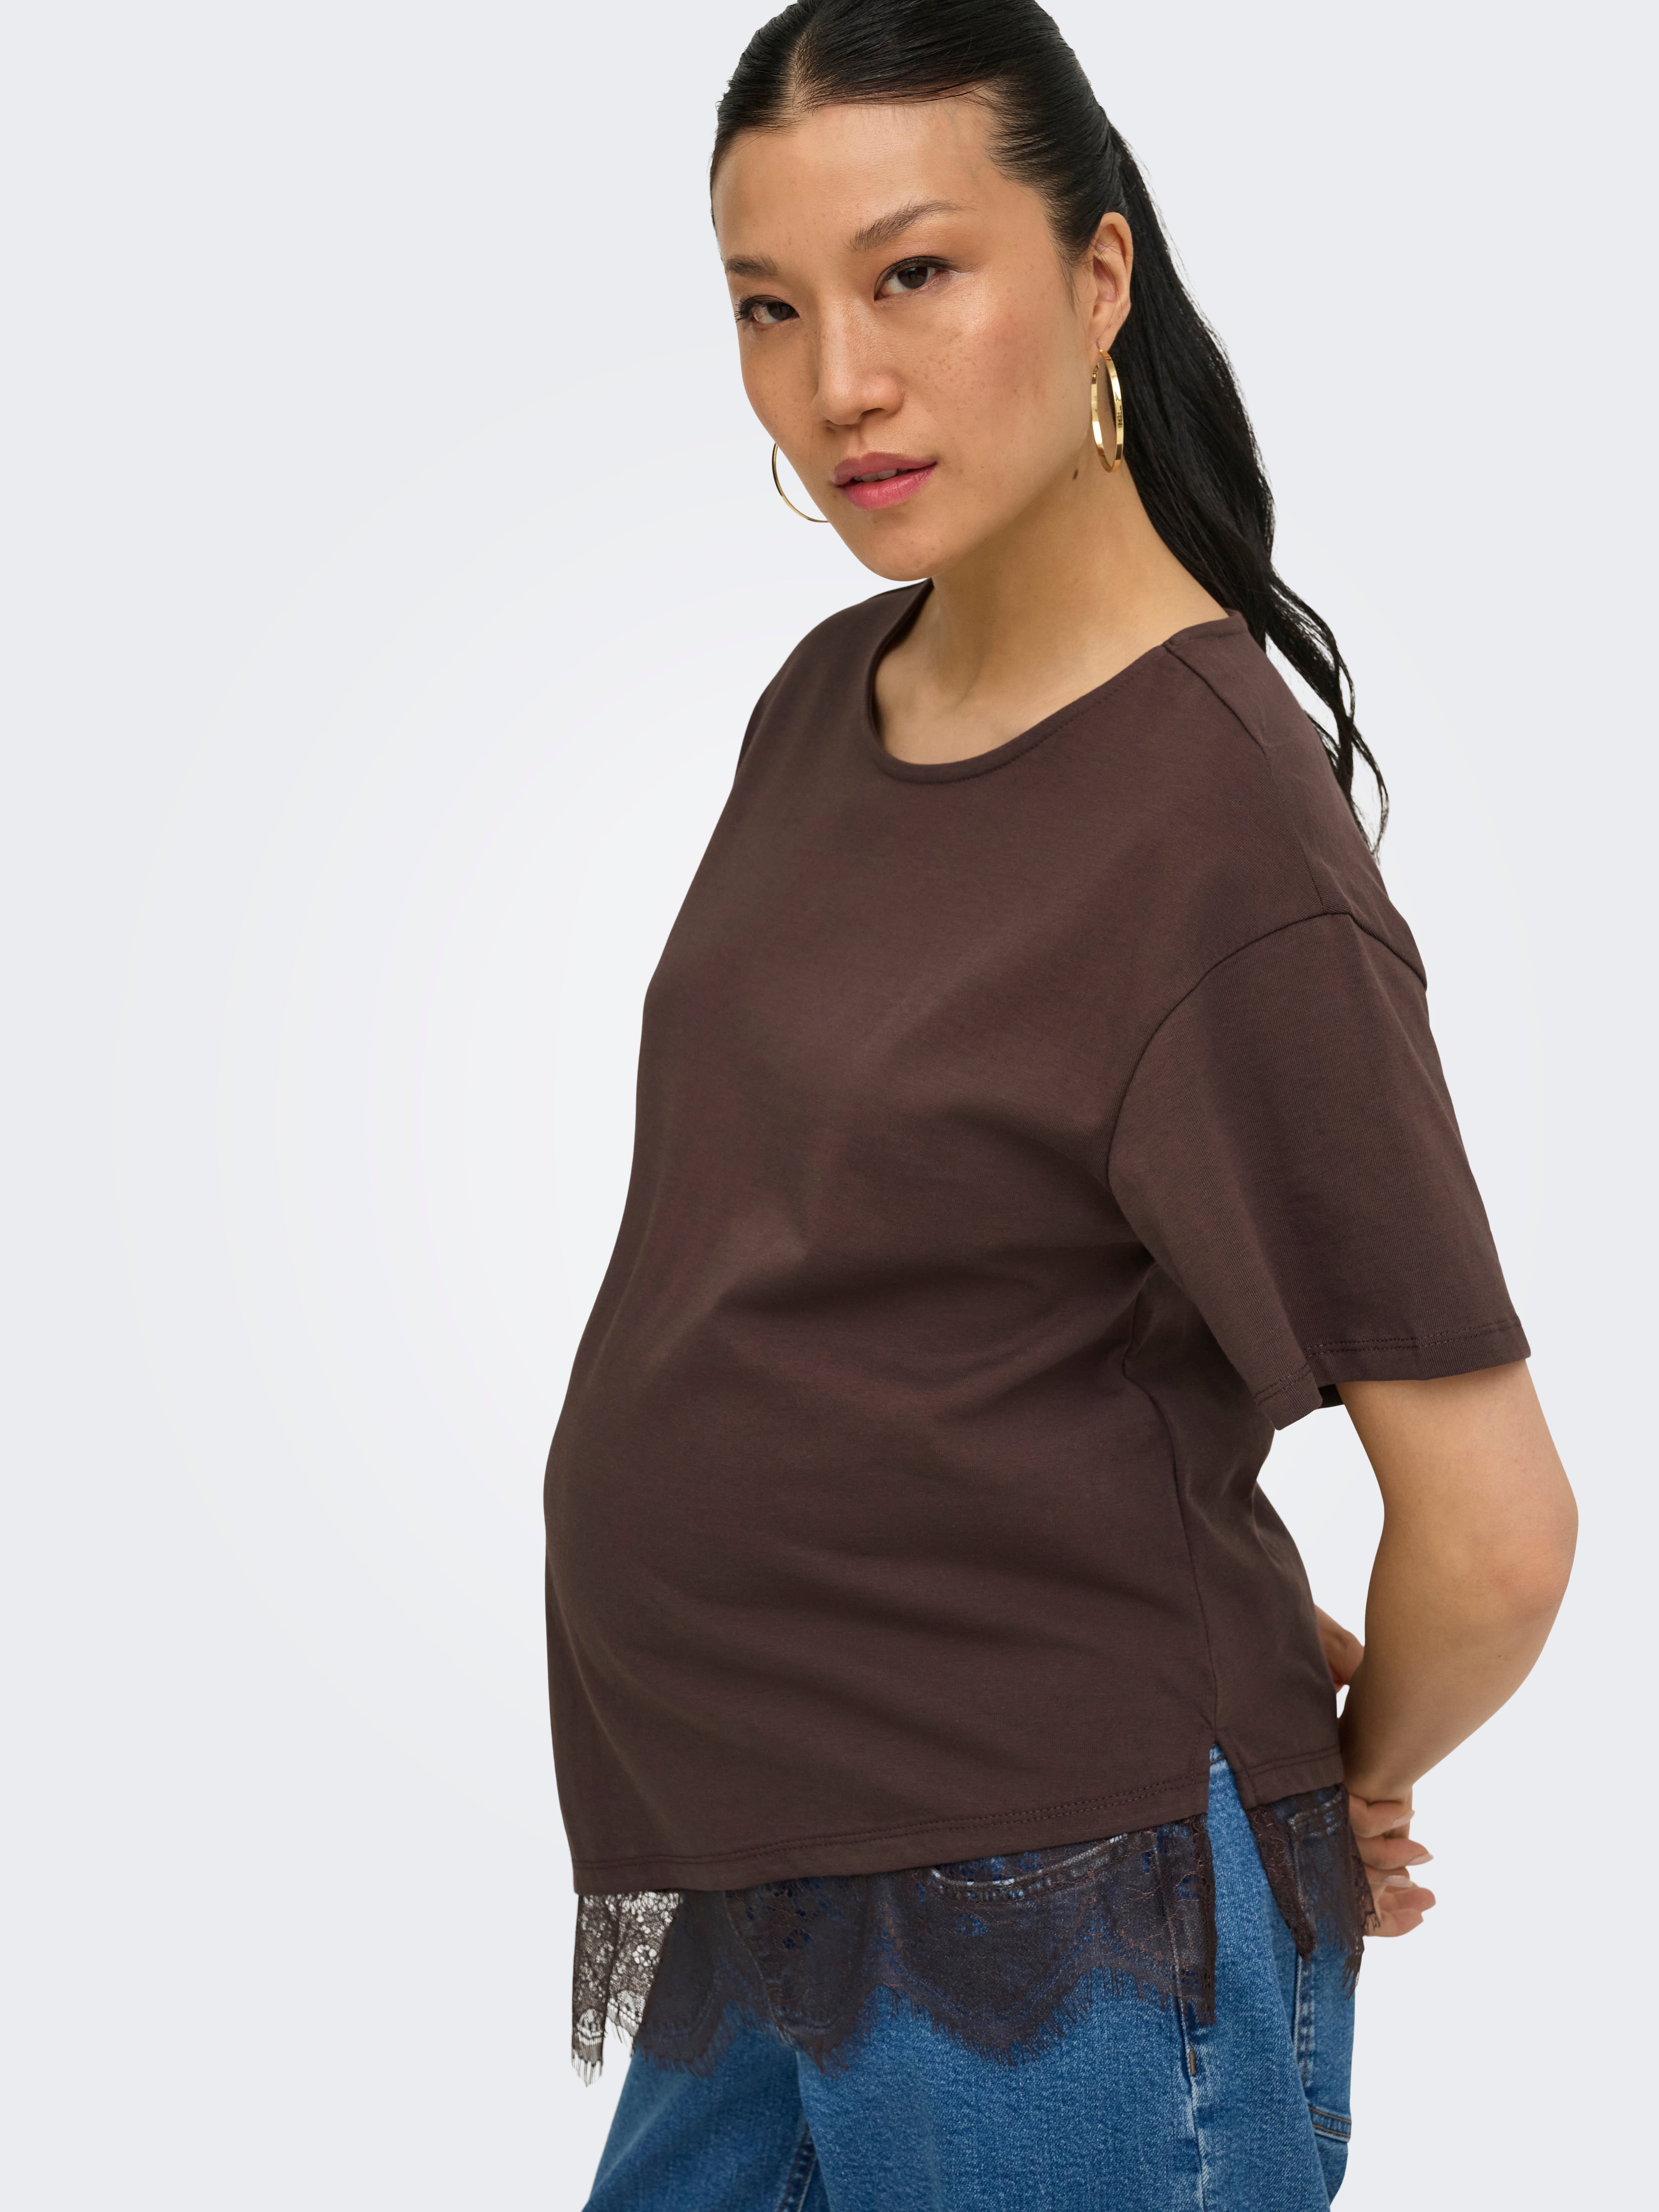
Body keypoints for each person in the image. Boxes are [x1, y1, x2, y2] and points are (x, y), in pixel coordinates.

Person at [541, 4, 1577, 2205]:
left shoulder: (1218, 825)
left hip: (1064, 1922)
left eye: (913, 273)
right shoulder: (828, 697)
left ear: (1099, 274)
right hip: (772, 1860)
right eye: (768, 306)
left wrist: (1341, 1767)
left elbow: (1494, 1529)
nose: (839, 380)